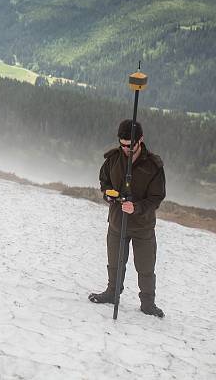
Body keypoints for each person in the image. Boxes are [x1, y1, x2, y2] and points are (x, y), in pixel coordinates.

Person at [88, 119, 166, 318]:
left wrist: (137, 207)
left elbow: (157, 198)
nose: (125, 149)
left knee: (145, 266)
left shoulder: (154, 165)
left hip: (143, 226)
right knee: (115, 262)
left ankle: (148, 304)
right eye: (122, 145)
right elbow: (103, 180)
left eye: (129, 146)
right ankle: (112, 293)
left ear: (140, 140)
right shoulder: (113, 159)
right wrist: (108, 194)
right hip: (117, 221)